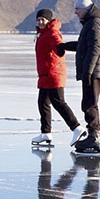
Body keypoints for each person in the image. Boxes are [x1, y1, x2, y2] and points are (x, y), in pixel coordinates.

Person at [61, 0, 100, 152]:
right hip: (93, 71)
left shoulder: (94, 24)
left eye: (77, 9)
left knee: (89, 104)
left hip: (94, 72)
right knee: (88, 103)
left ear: (86, 9)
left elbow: (95, 49)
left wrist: (88, 71)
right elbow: (84, 46)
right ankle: (93, 136)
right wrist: (65, 46)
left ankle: (94, 137)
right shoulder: (90, 24)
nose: (75, 12)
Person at [31, 9, 83, 147]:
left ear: (49, 21)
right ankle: (45, 133)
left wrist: (62, 48)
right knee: (43, 103)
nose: (40, 22)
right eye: (38, 20)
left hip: (53, 75)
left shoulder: (52, 33)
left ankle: (77, 128)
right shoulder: (43, 34)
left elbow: (58, 45)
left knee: (58, 102)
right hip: (45, 76)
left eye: (43, 19)